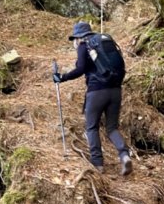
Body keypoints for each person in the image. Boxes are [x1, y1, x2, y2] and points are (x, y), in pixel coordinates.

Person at [53, 22, 132, 176]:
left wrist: (62, 77)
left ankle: (97, 164)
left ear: (78, 37)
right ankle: (124, 155)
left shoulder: (84, 45)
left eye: (74, 39)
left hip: (97, 92)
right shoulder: (103, 42)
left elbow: (81, 69)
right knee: (112, 128)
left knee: (91, 127)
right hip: (116, 90)